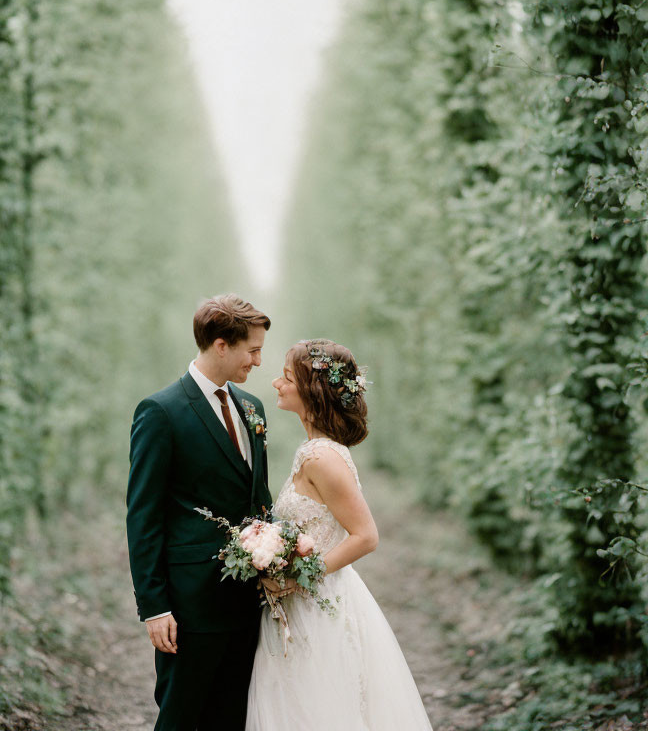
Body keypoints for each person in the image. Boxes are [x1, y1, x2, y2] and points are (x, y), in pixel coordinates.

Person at [246, 338, 434, 731]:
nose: (277, 386)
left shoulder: (323, 458)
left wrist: (299, 576)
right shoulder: (312, 449)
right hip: (298, 605)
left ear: (312, 391)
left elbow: (365, 536)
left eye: (286, 378)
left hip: (318, 605)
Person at [126, 294, 273, 731]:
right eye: (253, 350)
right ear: (222, 345)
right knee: (182, 717)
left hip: (249, 602)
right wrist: (154, 607)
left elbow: (258, 499)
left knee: (234, 718)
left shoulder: (253, 408)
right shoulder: (161, 412)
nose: (259, 361)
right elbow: (143, 515)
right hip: (190, 607)